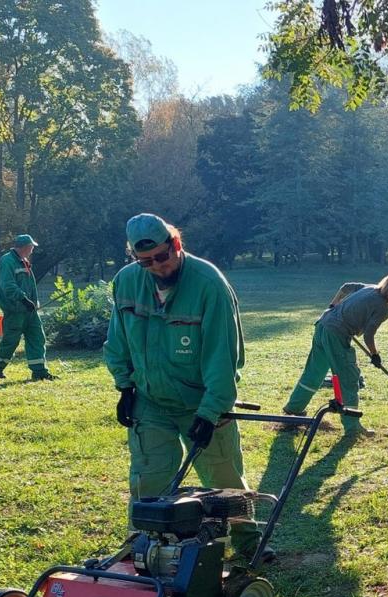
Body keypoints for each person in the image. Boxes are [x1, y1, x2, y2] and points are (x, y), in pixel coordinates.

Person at [103, 213, 271, 563]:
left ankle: (247, 540)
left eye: (162, 257)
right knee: (148, 476)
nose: (156, 267)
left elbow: (223, 358)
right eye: (144, 261)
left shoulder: (209, 284)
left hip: (202, 400)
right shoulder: (127, 283)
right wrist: (125, 387)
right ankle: (143, 544)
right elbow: (117, 340)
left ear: (176, 245)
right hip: (150, 399)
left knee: (222, 475)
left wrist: (210, 413)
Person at [281, 269, 388, 436]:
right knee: (349, 378)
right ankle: (352, 427)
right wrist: (375, 355)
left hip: (322, 325)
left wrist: (332, 305)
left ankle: (293, 410)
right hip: (336, 335)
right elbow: (369, 336)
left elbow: (345, 287)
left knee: (314, 372)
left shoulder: (369, 288)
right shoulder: (382, 309)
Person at [0, 234, 55, 380]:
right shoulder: (7, 261)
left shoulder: (23, 261)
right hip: (15, 311)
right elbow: (8, 286)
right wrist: (24, 299)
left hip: (30, 311)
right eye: (31, 247)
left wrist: (31, 303)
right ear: (25, 247)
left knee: (37, 338)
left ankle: (40, 372)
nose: (32, 250)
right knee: (10, 342)